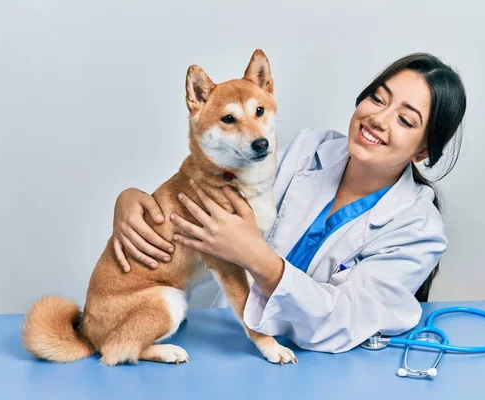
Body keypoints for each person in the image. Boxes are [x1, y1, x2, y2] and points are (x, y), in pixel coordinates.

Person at [110, 53, 466, 353]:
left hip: (319, 368)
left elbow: (343, 321)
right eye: (377, 98)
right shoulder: (306, 150)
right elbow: (205, 185)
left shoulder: (418, 230)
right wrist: (135, 201)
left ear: (423, 151)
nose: (378, 118)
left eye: (405, 119)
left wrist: (254, 256)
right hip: (229, 345)